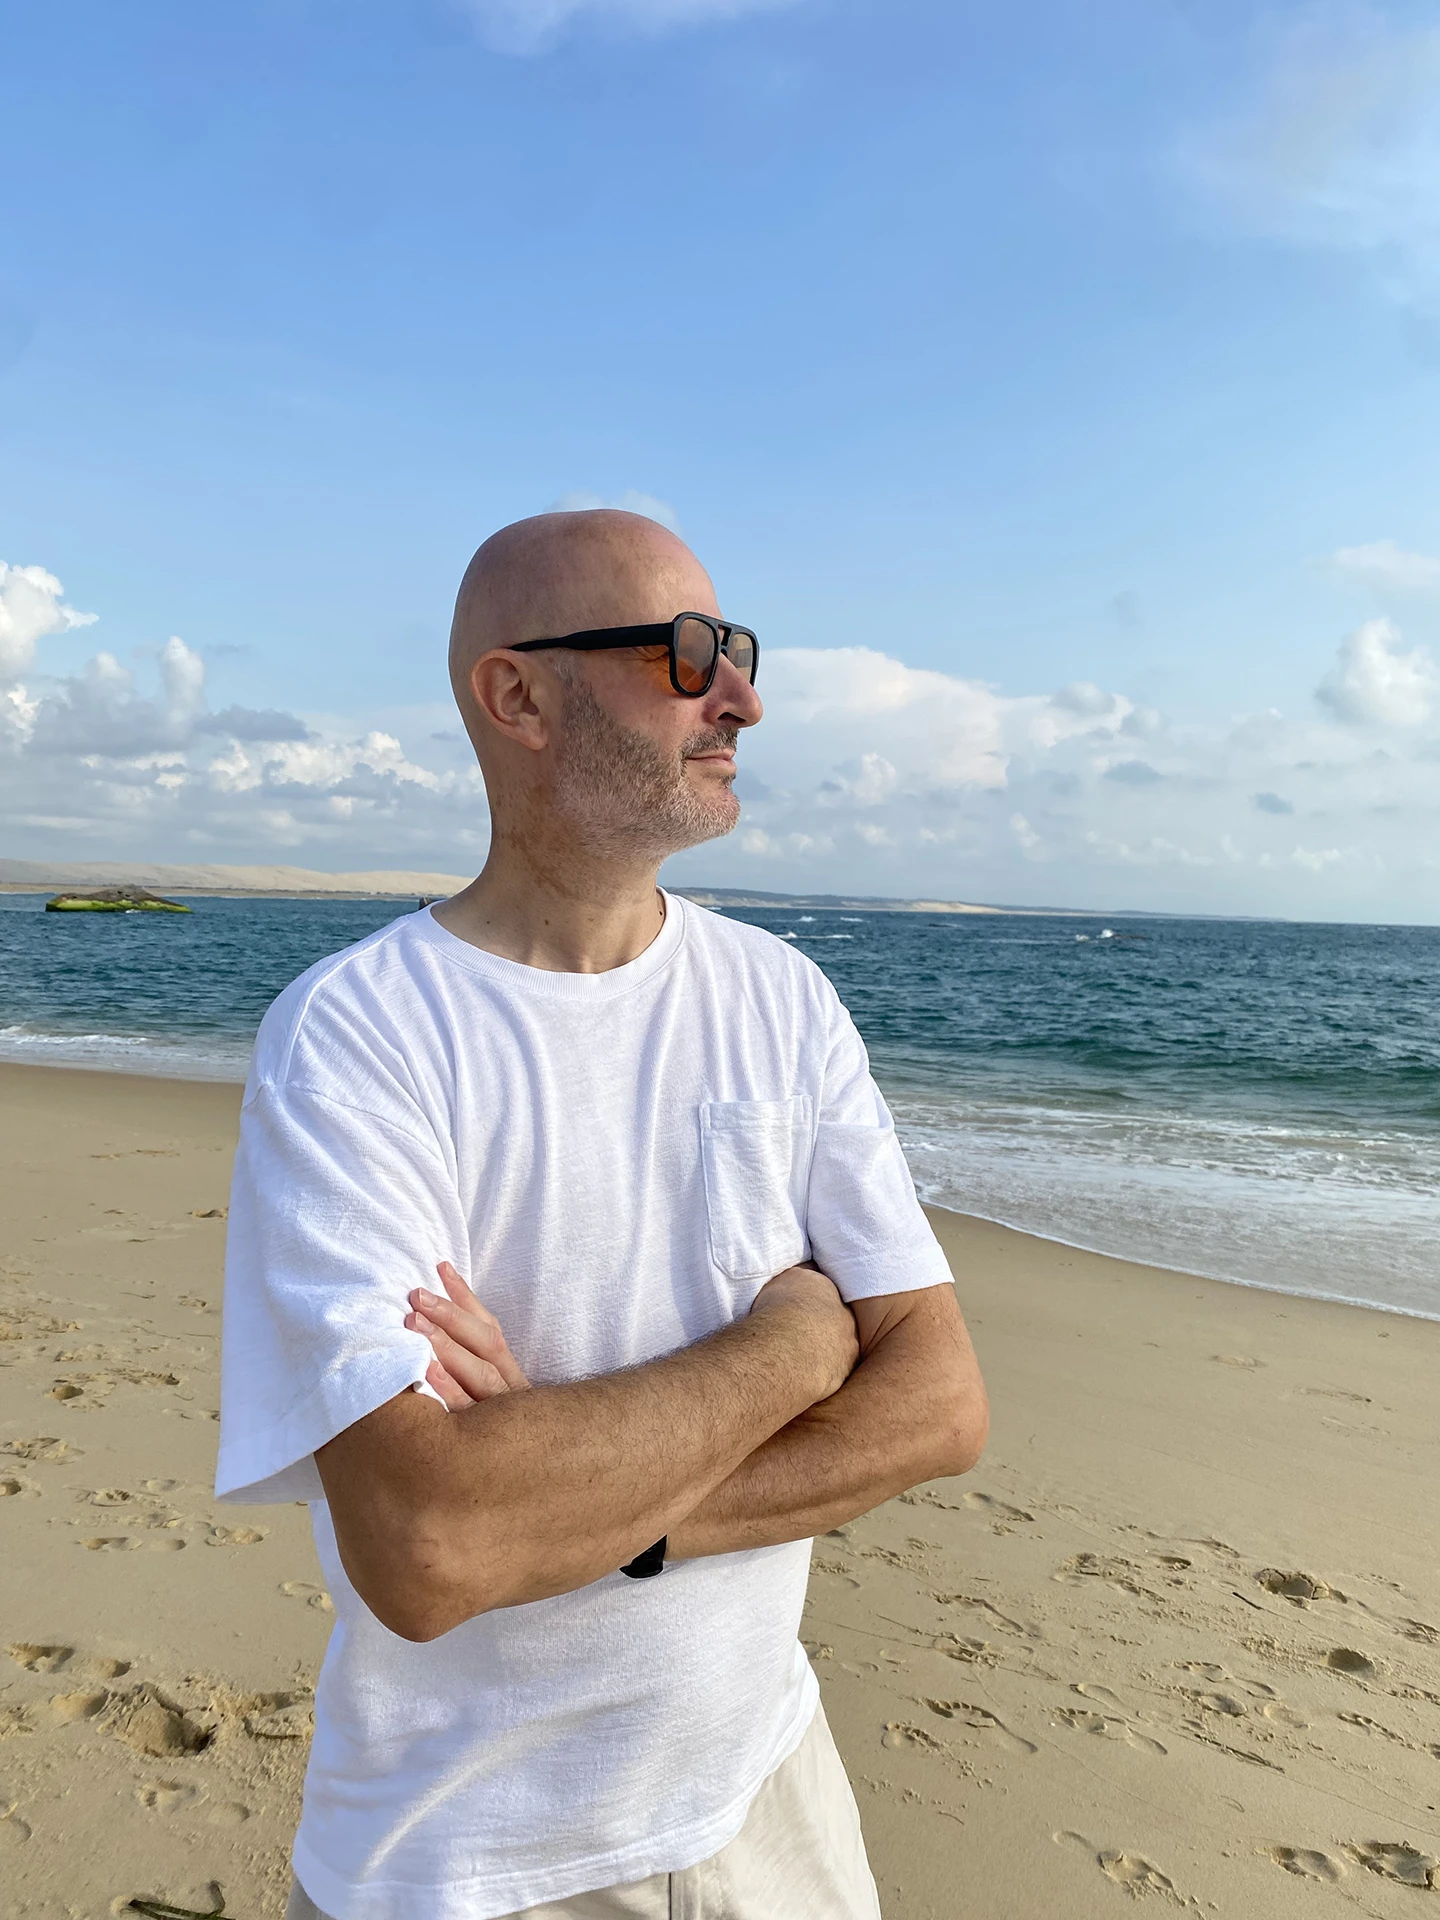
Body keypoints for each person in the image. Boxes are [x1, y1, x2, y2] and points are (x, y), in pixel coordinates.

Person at [215, 508, 989, 1920]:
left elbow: (940, 1408)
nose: (740, 697)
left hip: (770, 1789)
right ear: (517, 695)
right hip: (470, 1855)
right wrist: (796, 1349)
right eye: (687, 654)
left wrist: (591, 1515)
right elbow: (431, 1548)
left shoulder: (780, 999)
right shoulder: (358, 1036)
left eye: (738, 649)